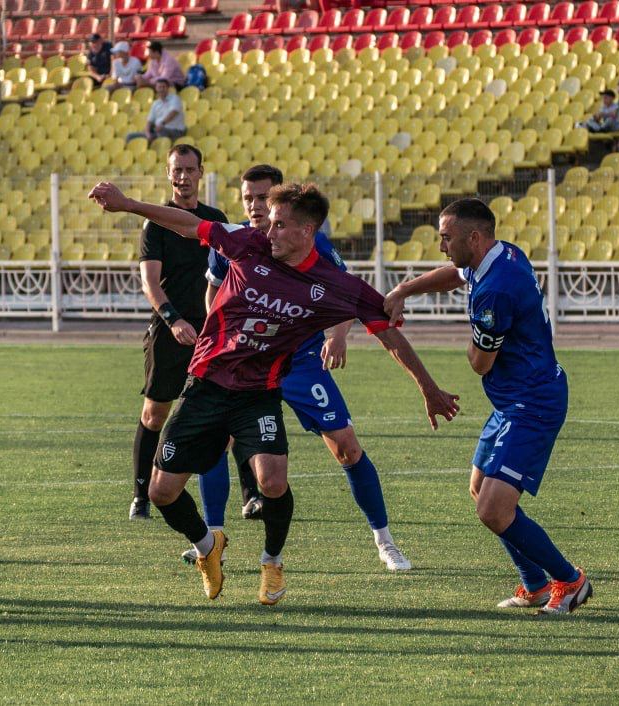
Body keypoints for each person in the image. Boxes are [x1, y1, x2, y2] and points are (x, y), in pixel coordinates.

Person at [90, 180, 459, 605]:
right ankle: (209, 545)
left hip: (259, 391)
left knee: (273, 479)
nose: (269, 231)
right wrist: (129, 205)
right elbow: (190, 226)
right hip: (207, 385)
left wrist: (428, 387)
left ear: (307, 232)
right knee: (161, 493)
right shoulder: (248, 243)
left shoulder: (334, 281)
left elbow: (389, 334)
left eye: (280, 224)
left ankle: (273, 562)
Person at [185, 164, 421, 572]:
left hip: (301, 362)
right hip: (244, 365)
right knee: (214, 444)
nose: (255, 207)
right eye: (248, 199)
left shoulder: (315, 245)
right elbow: (214, 290)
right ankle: (212, 537)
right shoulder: (238, 241)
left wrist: (338, 336)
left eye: (263, 198)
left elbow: (341, 297)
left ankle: (385, 541)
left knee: (345, 445)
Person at [383, 198, 592, 616]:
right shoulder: (503, 254)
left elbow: (480, 363)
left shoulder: (495, 290)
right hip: (514, 399)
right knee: (481, 490)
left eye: (446, 237)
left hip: (532, 403)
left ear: (473, 238)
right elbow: (453, 275)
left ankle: (570, 581)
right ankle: (533, 583)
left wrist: (477, 330)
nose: (441, 245)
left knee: (493, 509)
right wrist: (404, 288)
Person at [130, 145, 227, 520]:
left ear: (201, 172)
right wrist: (174, 320)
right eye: (177, 170)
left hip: (211, 332)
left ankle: (250, 494)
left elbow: (230, 275)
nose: (183, 177)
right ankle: (141, 493)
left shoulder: (215, 220)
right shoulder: (156, 223)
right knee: (155, 414)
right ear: (168, 173)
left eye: (190, 169)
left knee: (223, 412)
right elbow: (150, 283)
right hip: (169, 331)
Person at [126, 78, 185, 143]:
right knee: (130, 136)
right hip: (158, 131)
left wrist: (162, 124)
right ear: (156, 88)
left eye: (164, 87)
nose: (162, 89)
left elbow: (173, 112)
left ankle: (160, 149)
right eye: (159, 87)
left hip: (175, 131)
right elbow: (150, 121)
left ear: (168, 88)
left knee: (160, 131)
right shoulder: (156, 103)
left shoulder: (175, 98)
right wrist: (148, 133)